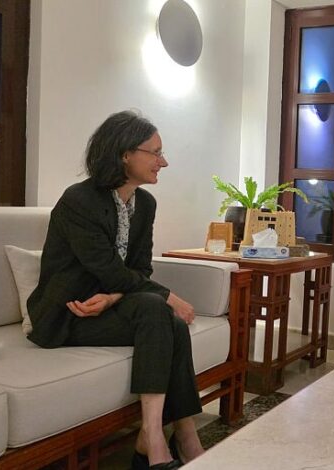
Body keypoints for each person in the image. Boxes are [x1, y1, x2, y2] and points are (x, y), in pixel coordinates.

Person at [27, 111, 203, 469]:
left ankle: (165, 435)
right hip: (68, 314)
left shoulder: (145, 204)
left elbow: (138, 270)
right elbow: (108, 269)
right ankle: (165, 440)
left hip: (106, 306)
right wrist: (169, 296)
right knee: (161, 310)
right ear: (125, 154)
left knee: (167, 319)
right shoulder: (79, 201)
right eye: (155, 152)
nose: (163, 162)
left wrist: (113, 296)